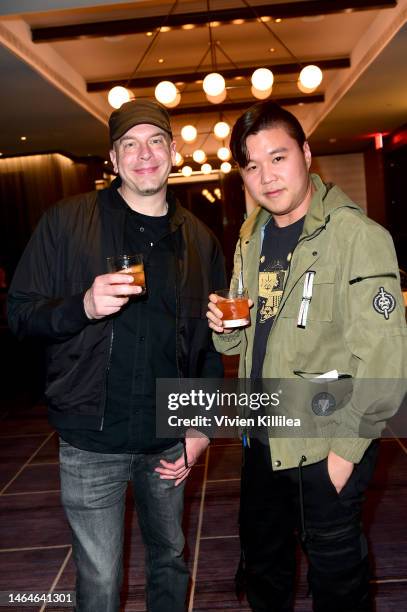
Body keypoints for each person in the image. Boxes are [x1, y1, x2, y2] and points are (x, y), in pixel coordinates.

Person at [8, 99, 226, 612]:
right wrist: (82, 305)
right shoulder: (65, 223)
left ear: (173, 151)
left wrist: (200, 426)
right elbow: (20, 312)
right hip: (90, 440)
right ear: (113, 158)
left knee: (170, 560)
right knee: (101, 580)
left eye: (155, 141)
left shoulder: (200, 241)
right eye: (130, 143)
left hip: (167, 438)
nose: (143, 154)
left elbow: (210, 345)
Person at [207, 100, 407, 611]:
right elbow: (237, 343)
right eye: (251, 165)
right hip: (260, 440)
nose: (266, 177)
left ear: (306, 154)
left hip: (323, 446)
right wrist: (224, 326)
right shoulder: (251, 236)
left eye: (277, 158)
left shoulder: (357, 238)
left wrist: (341, 458)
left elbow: (384, 365)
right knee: (265, 573)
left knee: (337, 585)